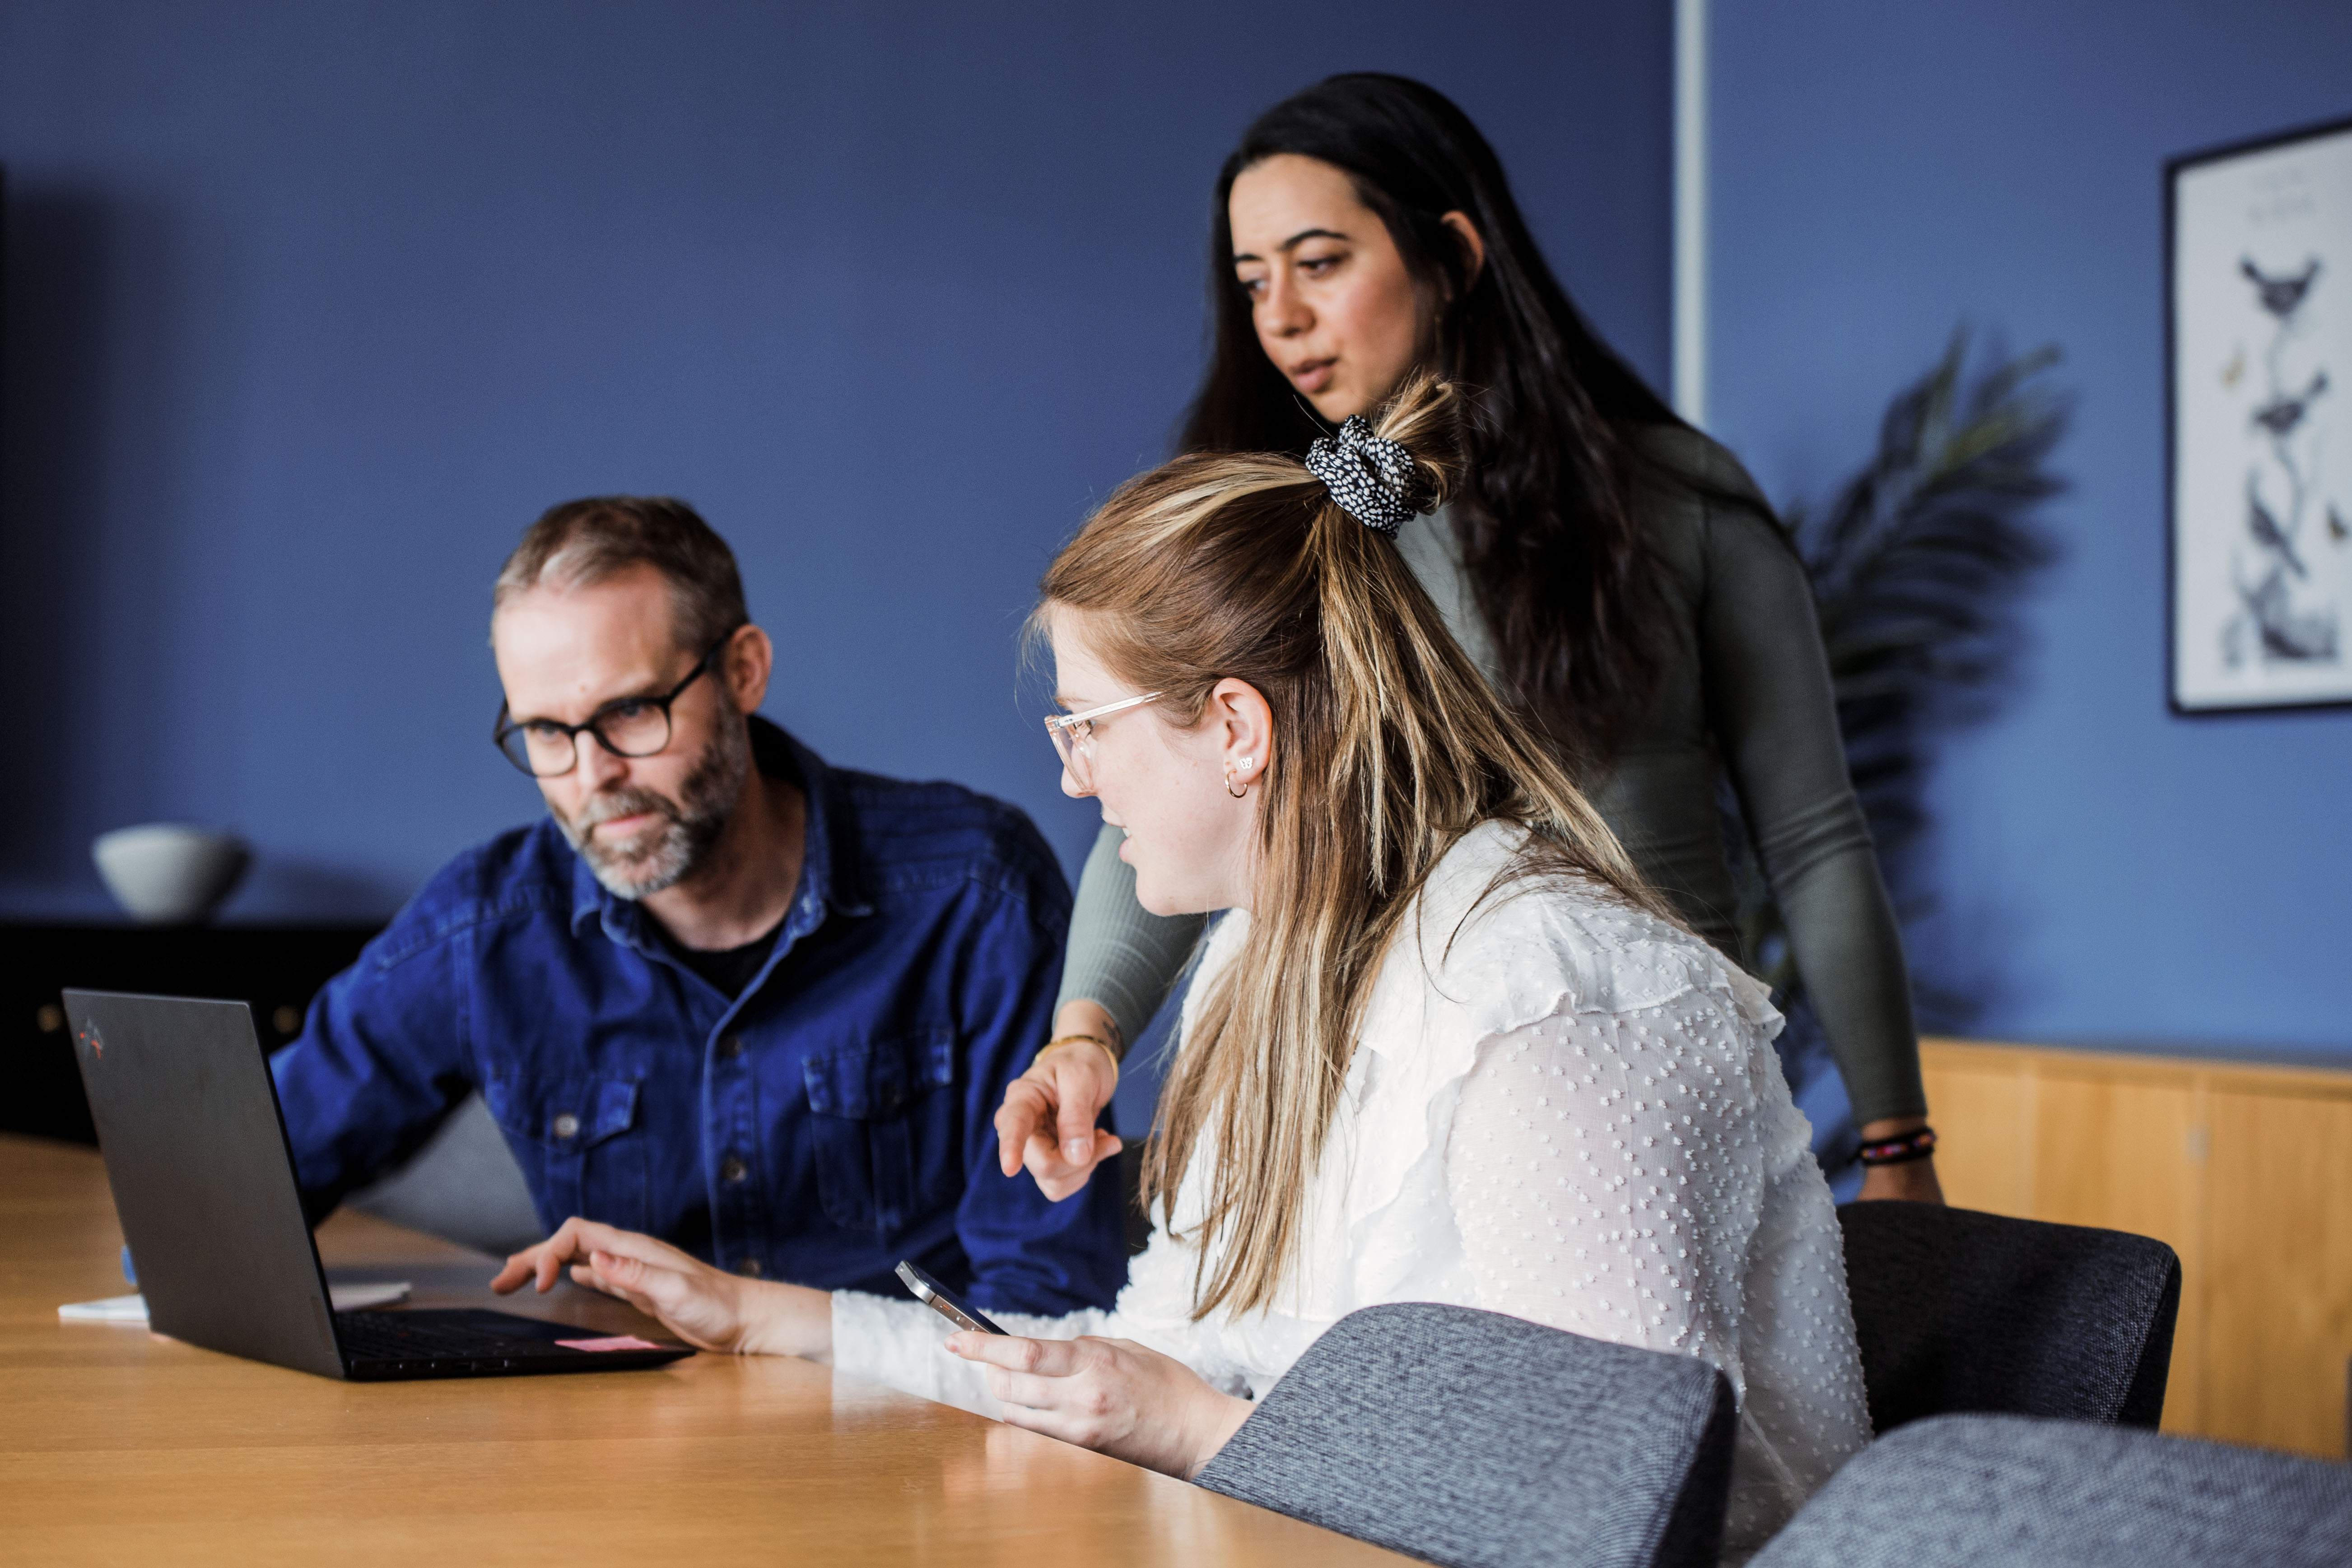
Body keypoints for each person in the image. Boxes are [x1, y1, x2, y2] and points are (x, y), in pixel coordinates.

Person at [494, 383, 1869, 1560]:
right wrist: (755, 1317)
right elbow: (1144, 1364)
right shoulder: (1260, 964)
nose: (1070, 771)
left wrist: (1189, 1426)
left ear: (1234, 730)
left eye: (1088, 723)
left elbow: (1622, 1502)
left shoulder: (1555, 997)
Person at [999, 73, 1942, 1210]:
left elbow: (1814, 838)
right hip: (1397, 1132)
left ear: (1450, 254)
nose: (1280, 317)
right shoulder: (1286, 535)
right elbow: (1158, 790)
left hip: (1655, 1096)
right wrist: (1086, 1032)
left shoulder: (1679, 502)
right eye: (1253, 282)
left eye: (1320, 262)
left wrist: (1895, 1148)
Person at [271, 496, 1125, 1316]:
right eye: (545, 732)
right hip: (618, 1446)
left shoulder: (972, 894)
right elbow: (243, 1175)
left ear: (743, 671)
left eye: (630, 711)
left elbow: (1046, 1304)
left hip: (911, 1437)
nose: (591, 775)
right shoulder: (484, 926)